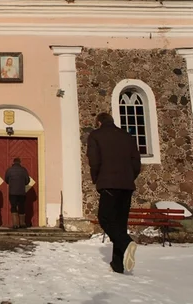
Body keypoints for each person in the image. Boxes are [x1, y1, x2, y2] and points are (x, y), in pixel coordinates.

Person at [86, 112, 142, 274]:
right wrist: (129, 177)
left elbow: (94, 161)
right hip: (127, 186)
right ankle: (117, 264)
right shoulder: (127, 136)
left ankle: (126, 243)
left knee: (105, 219)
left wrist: (97, 178)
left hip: (108, 184)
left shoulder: (96, 135)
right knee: (119, 224)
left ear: (99, 122)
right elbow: (136, 162)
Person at [4, 157, 30, 229]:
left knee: (13, 207)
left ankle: (15, 224)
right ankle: (22, 223)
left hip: (12, 192)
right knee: (22, 206)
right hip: (22, 192)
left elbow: (6, 180)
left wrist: (11, 183)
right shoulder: (23, 170)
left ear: (13, 162)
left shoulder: (9, 170)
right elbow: (27, 181)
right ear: (20, 162)